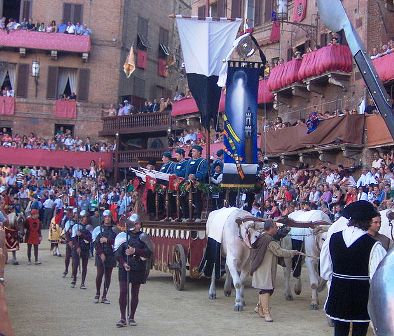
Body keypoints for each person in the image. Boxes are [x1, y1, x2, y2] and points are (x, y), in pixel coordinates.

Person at [320, 200, 387, 336]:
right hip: (361, 297)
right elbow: (378, 279)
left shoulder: (333, 238)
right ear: (367, 221)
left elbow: (325, 271)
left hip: (338, 293)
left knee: (339, 330)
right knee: (360, 331)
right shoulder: (374, 245)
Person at [249, 220, 299, 322]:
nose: (277, 229)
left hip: (262, 268)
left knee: (265, 289)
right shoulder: (269, 241)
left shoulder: (262, 237)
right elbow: (279, 251)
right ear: (271, 228)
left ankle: (259, 307)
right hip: (265, 269)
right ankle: (266, 313)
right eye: (275, 227)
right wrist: (293, 252)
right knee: (267, 290)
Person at [114, 214, 153, 328]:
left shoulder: (143, 236)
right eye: (136, 223)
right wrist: (123, 263)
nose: (138, 225)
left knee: (135, 293)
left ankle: (131, 317)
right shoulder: (122, 236)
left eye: (139, 223)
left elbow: (149, 252)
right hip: (125, 267)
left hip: (138, 267)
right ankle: (122, 318)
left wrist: (135, 250)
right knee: (123, 292)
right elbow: (117, 253)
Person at [93, 210, 117, 304]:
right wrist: (101, 253)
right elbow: (96, 243)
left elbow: (117, 242)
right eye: (106, 217)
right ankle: (97, 293)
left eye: (109, 217)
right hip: (101, 255)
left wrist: (107, 240)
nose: (107, 218)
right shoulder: (98, 229)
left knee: (108, 276)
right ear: (103, 218)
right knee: (99, 275)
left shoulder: (115, 229)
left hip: (110, 254)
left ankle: (104, 295)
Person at [184, 145, 208, 222]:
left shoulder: (203, 161)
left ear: (199, 152)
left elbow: (203, 173)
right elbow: (186, 173)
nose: (192, 152)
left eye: (194, 151)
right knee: (187, 199)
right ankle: (189, 216)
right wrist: (186, 180)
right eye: (192, 151)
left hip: (198, 183)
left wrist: (195, 176)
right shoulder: (189, 161)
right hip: (188, 184)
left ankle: (198, 216)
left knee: (197, 199)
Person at [70, 210, 92, 289]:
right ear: (81, 218)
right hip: (77, 248)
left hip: (85, 248)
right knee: (75, 265)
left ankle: (82, 282)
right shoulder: (76, 226)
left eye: (86, 217)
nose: (85, 219)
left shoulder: (89, 227)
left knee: (84, 266)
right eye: (84, 217)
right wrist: (77, 247)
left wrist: (81, 234)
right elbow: (73, 238)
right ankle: (74, 280)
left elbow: (90, 238)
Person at [63, 208, 78, 277]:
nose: (76, 215)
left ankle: (73, 272)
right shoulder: (69, 222)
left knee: (74, 258)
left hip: (76, 242)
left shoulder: (79, 223)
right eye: (75, 213)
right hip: (69, 241)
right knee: (67, 257)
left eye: (77, 213)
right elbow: (66, 232)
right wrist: (69, 241)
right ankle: (66, 269)